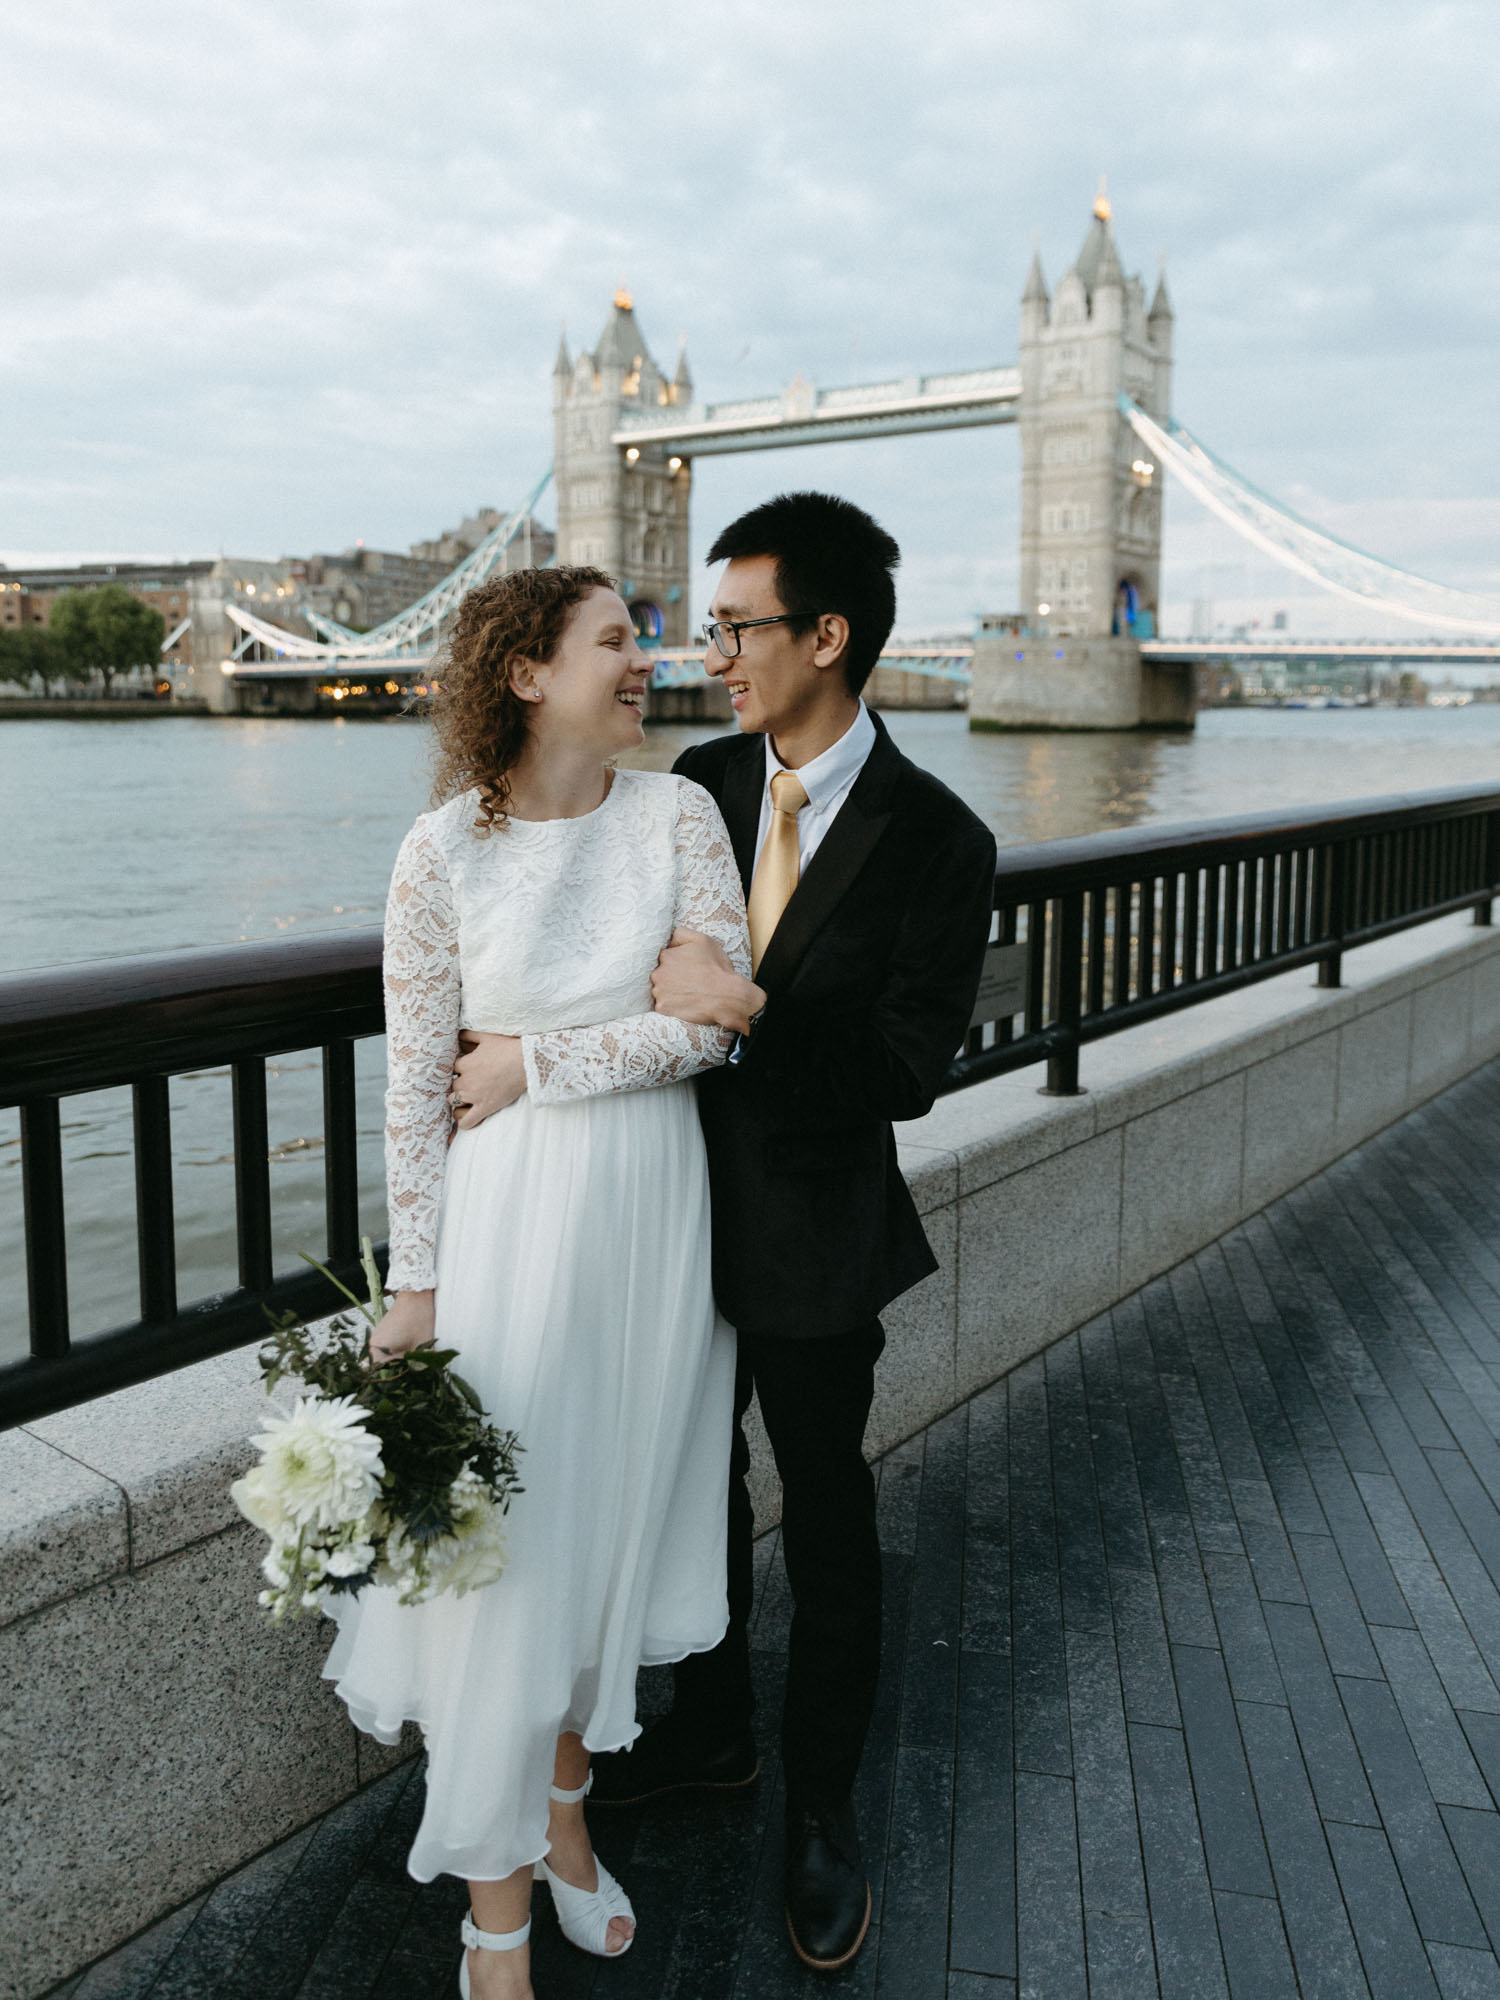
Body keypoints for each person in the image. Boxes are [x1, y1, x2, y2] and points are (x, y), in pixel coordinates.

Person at [460, 491, 997, 1973]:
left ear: (827, 637)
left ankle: (821, 1814)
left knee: (825, 1518)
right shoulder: (689, 782)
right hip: (653, 1221)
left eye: (739, 624)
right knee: (680, 1494)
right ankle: (710, 1730)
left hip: (818, 1235)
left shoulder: (943, 840)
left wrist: (746, 1016)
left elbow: (905, 1073)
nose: (714, 652)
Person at [322, 565, 754, 2000]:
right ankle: (491, 1919)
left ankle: (568, 1820)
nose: (650, 660)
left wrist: (537, 1061)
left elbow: (712, 1030)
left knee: (600, 1522)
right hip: (511, 1221)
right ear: (524, 672)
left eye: (643, 639)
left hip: (648, 1222)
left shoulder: (683, 815)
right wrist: (417, 1287)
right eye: (618, 641)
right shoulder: (438, 851)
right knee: (505, 1554)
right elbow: (410, 1089)